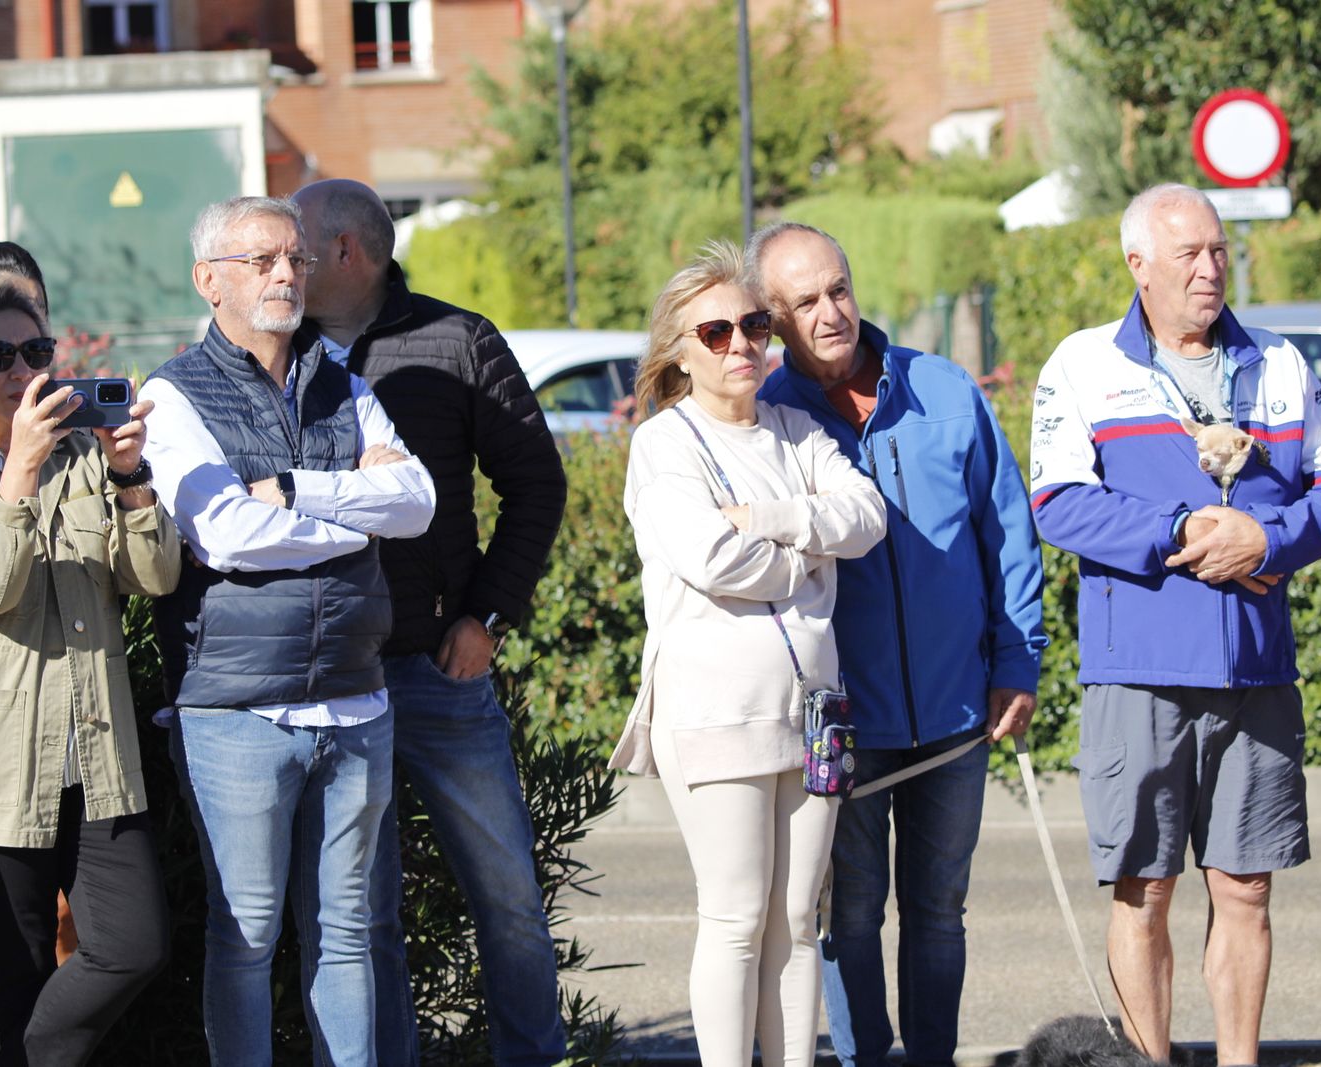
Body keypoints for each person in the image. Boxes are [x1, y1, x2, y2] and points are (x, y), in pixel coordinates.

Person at [1030, 183, 1321, 1066]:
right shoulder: (1082, 365)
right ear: (1138, 264)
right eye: (1188, 254)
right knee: (1143, 891)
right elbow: (1057, 503)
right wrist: (1179, 531)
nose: (1211, 268)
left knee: (1247, 888)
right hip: (1136, 666)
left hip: (1255, 668)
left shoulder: (1282, 364)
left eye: (1217, 250)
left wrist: (1267, 539)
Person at [139, 195, 437, 1066]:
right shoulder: (172, 393)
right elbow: (225, 533)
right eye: (262, 260)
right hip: (237, 713)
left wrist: (298, 491)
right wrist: (357, 508)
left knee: (348, 935)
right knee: (247, 937)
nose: (285, 274)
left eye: (296, 260)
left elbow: (416, 503)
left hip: (356, 700)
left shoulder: (342, 380)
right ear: (210, 282)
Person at [749, 221, 1046, 1067]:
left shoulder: (945, 388)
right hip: (842, 716)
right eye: (805, 302)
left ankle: (932, 1059)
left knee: (940, 907)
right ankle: (865, 1059)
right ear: (774, 319)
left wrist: (1017, 661)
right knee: (847, 915)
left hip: (960, 707)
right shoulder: (770, 419)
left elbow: (1008, 533)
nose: (831, 311)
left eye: (837, 289)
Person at [289, 178, 570, 1067]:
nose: (279, 266)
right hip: (331, 679)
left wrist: (486, 614)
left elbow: (537, 482)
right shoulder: (270, 350)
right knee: (361, 918)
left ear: (347, 252)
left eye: (295, 249)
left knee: (509, 897)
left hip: (439, 671)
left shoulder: (457, 339)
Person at [610, 240, 887, 1067]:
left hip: (815, 710)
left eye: (755, 325)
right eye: (718, 331)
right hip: (713, 710)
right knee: (736, 918)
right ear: (679, 353)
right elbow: (710, 559)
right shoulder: (665, 444)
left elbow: (865, 518)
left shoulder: (799, 430)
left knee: (799, 919)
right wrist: (812, 552)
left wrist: (771, 519)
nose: (742, 345)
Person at [0, 275, 181, 1065]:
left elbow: (155, 574)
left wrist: (128, 476)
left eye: (36, 352)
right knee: (13, 970)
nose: (23, 371)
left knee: (132, 942)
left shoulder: (84, 453)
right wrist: (18, 469)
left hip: (96, 753)